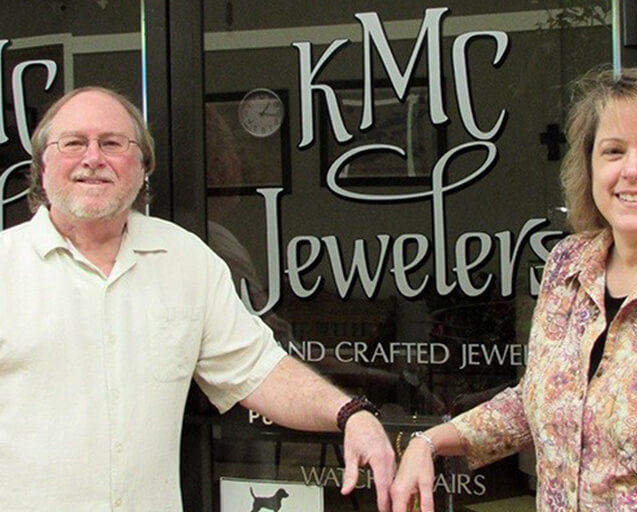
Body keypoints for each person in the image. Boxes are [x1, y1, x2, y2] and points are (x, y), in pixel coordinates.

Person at [390, 65, 637, 511]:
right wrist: (429, 442)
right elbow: (541, 401)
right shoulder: (569, 263)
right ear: (590, 168)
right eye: (612, 151)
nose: (631, 170)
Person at [0, 86, 394, 511]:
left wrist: (351, 412)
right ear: (42, 163)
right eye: (74, 143)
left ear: (142, 165)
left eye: (112, 143)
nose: (93, 158)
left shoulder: (185, 260)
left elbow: (259, 371)